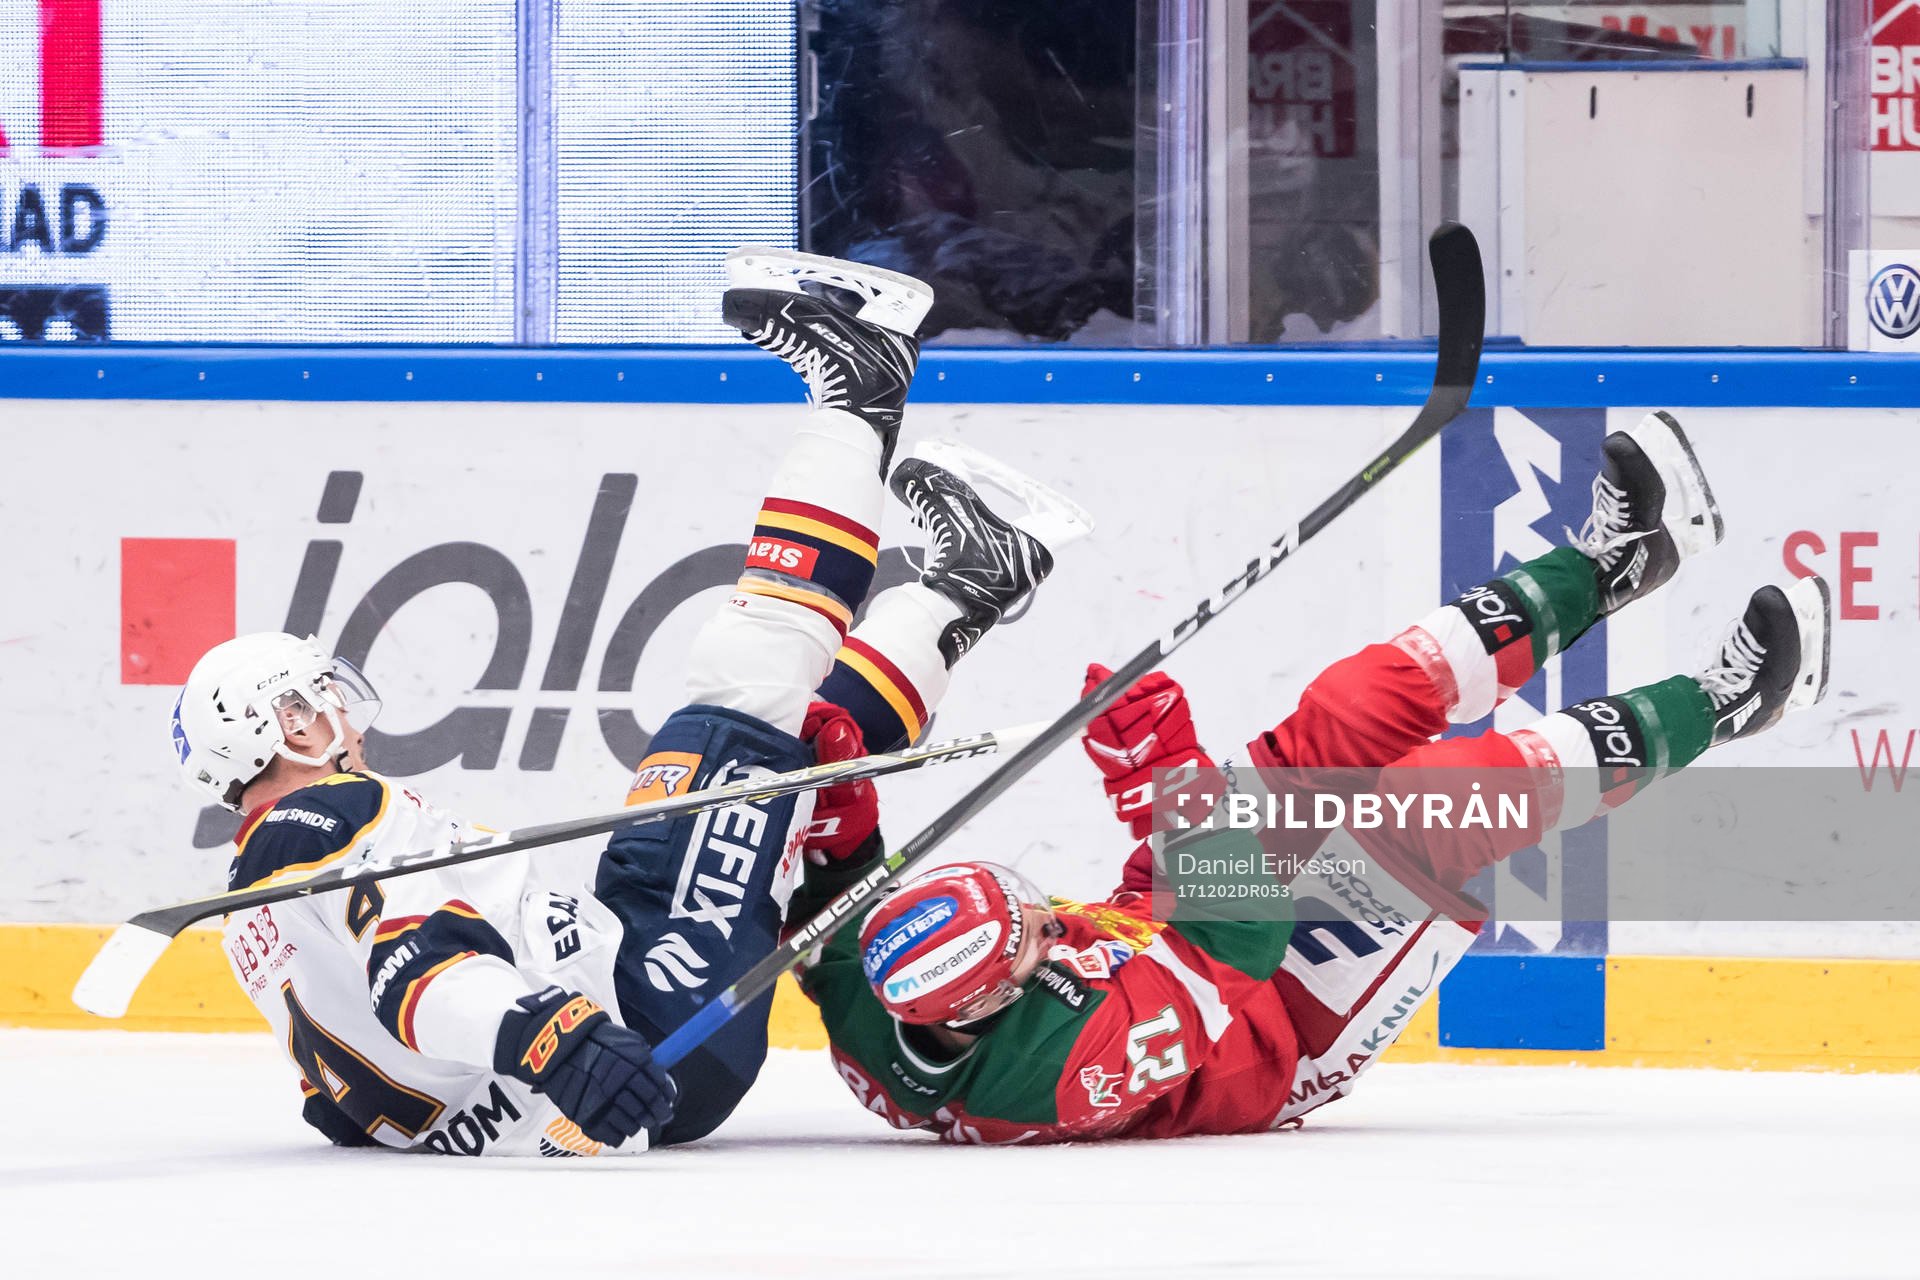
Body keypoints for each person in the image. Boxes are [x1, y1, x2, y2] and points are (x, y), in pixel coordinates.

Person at [168, 249, 1084, 1156]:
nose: (350, 721)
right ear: (284, 722)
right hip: (643, 1023)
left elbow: (341, 1100)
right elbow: (420, 967)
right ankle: (860, 385)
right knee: (742, 694)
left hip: (622, 1026)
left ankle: (970, 580)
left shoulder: (253, 917)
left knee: (780, 744)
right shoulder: (325, 818)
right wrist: (552, 1039)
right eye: (322, 698)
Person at [796, 411, 1833, 1143]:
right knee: (1442, 802)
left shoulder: (871, 990)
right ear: (984, 1009)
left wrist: (834, 770)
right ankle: (1722, 703)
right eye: (1029, 939)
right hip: (1275, 1019)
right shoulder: (1063, 1068)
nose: (1041, 919)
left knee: (1353, 702)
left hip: (1172, 917)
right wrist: (1157, 772)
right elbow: (1237, 934)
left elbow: (832, 891)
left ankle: (1612, 565)